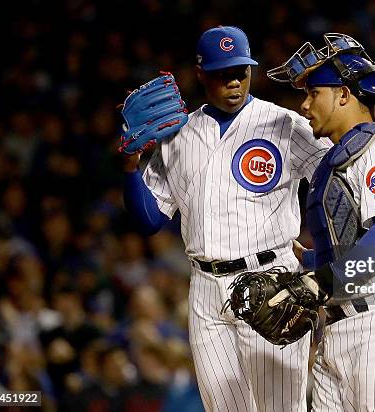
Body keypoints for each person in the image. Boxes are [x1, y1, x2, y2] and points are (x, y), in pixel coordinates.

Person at [121, 26, 334, 412]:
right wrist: (130, 166)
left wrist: (323, 246)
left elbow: (341, 171)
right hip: (205, 286)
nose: (234, 82)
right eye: (223, 74)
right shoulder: (177, 135)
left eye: (241, 71)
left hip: (272, 279)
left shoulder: (283, 124)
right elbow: (148, 221)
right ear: (201, 74)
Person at [267, 33, 375, 411]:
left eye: (313, 93)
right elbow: (347, 244)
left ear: (343, 94)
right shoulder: (340, 158)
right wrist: (303, 264)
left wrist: (320, 280)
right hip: (339, 326)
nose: (305, 105)